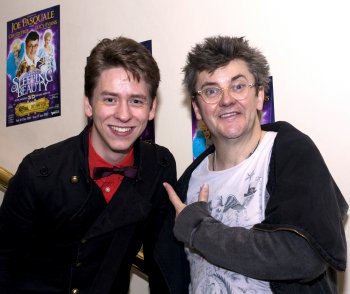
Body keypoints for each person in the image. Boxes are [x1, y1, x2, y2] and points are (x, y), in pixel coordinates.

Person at [0, 36, 189, 294]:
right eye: (110, 99)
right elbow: (4, 266)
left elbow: (162, 262)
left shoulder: (159, 165)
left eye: (136, 101)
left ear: (152, 108)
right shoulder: (39, 172)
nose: (123, 114)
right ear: (88, 104)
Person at [163, 36, 348, 293]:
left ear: (260, 95)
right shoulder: (189, 182)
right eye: (211, 90)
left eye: (238, 86)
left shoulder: (290, 153)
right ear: (197, 108)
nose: (226, 99)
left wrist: (199, 230)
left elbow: (303, 256)